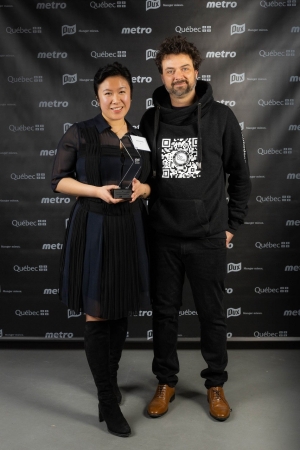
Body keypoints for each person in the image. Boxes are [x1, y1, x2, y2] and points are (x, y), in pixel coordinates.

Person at [140, 36, 251, 421]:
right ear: (162, 76)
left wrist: (232, 225)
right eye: (169, 70)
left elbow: (240, 175)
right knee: (164, 313)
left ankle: (215, 384)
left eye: (184, 68)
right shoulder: (150, 119)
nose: (178, 77)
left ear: (197, 70)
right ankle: (165, 381)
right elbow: (143, 174)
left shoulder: (221, 117)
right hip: (164, 236)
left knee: (212, 315)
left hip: (208, 236)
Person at [51, 62, 151, 437]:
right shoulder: (80, 132)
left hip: (129, 228)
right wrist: (95, 191)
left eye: (122, 91)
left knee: (120, 306)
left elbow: (150, 184)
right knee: (97, 313)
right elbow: (57, 181)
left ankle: (108, 383)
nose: (116, 99)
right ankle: (108, 401)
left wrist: (144, 190)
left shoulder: (140, 136)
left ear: (131, 95)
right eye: (108, 92)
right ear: (97, 97)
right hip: (92, 226)